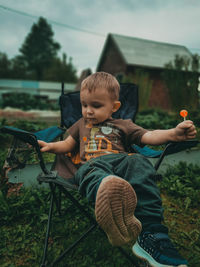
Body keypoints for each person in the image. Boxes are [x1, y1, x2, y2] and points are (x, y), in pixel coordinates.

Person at [38, 72, 196, 267]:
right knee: (94, 174)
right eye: (84, 105)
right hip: (94, 165)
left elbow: (150, 136)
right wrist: (50, 146)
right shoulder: (80, 125)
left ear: (114, 107)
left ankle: (152, 235)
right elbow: (67, 145)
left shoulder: (123, 125)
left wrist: (173, 133)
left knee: (138, 161)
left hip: (121, 163)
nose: (88, 111)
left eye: (96, 106)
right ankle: (109, 199)